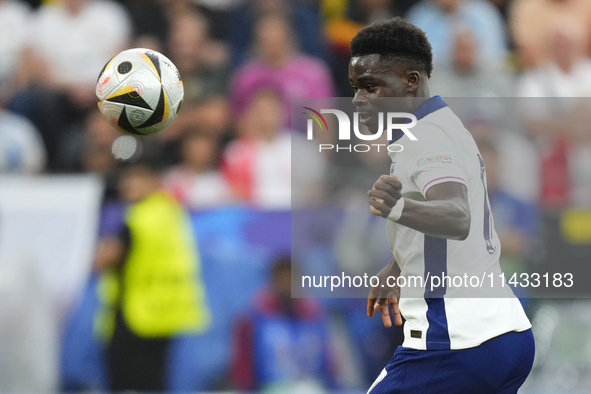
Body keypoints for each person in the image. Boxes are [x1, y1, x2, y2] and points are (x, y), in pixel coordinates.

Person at [347, 18, 534, 393]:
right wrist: (396, 266)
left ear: (411, 80)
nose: (358, 99)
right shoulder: (440, 123)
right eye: (355, 87)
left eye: (371, 86)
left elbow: (456, 216)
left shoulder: (426, 139)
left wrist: (397, 207)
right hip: (508, 335)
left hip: (455, 343)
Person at [93, 163, 211, 392]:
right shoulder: (171, 212)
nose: (128, 185)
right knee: (155, 381)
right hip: (164, 312)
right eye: (126, 179)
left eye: (136, 178)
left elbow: (105, 259)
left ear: (155, 182)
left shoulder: (137, 218)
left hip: (135, 313)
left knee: (127, 384)